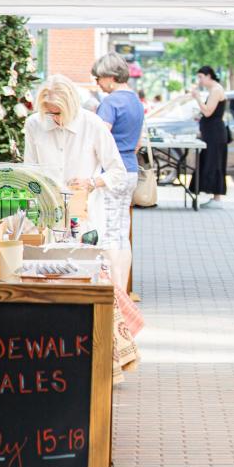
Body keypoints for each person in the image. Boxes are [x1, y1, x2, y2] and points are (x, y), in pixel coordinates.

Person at [24, 75, 128, 240]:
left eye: (58, 113)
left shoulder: (93, 124)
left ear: (71, 106)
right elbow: (29, 170)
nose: (55, 118)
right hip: (48, 214)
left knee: (84, 262)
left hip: (84, 215)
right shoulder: (34, 124)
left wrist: (92, 182)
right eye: (49, 113)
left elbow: (118, 172)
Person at [93, 53, 145, 290]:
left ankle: (113, 293)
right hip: (131, 170)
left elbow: (100, 138)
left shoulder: (111, 102)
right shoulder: (135, 101)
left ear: (111, 77)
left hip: (111, 173)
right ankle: (123, 288)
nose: (97, 83)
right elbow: (138, 144)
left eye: (99, 78)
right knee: (122, 233)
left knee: (109, 233)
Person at [189, 66, 228, 205]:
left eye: (200, 77)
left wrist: (198, 98)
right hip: (210, 132)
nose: (199, 80)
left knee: (215, 163)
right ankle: (214, 196)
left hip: (215, 134)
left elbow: (208, 112)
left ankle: (217, 198)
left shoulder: (216, 90)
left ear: (208, 76)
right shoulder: (214, 90)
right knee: (209, 162)